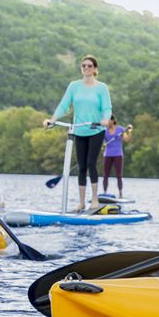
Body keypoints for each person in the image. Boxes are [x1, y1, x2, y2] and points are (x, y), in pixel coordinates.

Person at [44, 55, 112, 212]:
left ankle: (94, 200)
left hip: (96, 129)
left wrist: (105, 119)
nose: (86, 68)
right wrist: (52, 120)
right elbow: (64, 104)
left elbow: (107, 108)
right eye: (83, 65)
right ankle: (81, 203)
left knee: (91, 163)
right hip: (79, 130)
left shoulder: (101, 88)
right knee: (81, 166)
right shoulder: (74, 86)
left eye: (89, 66)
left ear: (95, 69)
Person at [102, 115, 133, 196]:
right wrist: (103, 145)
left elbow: (127, 140)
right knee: (105, 175)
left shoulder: (121, 130)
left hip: (118, 154)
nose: (107, 123)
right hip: (107, 155)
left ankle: (120, 193)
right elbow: (102, 142)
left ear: (113, 121)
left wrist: (129, 132)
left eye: (108, 121)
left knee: (119, 175)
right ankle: (104, 193)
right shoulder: (105, 131)